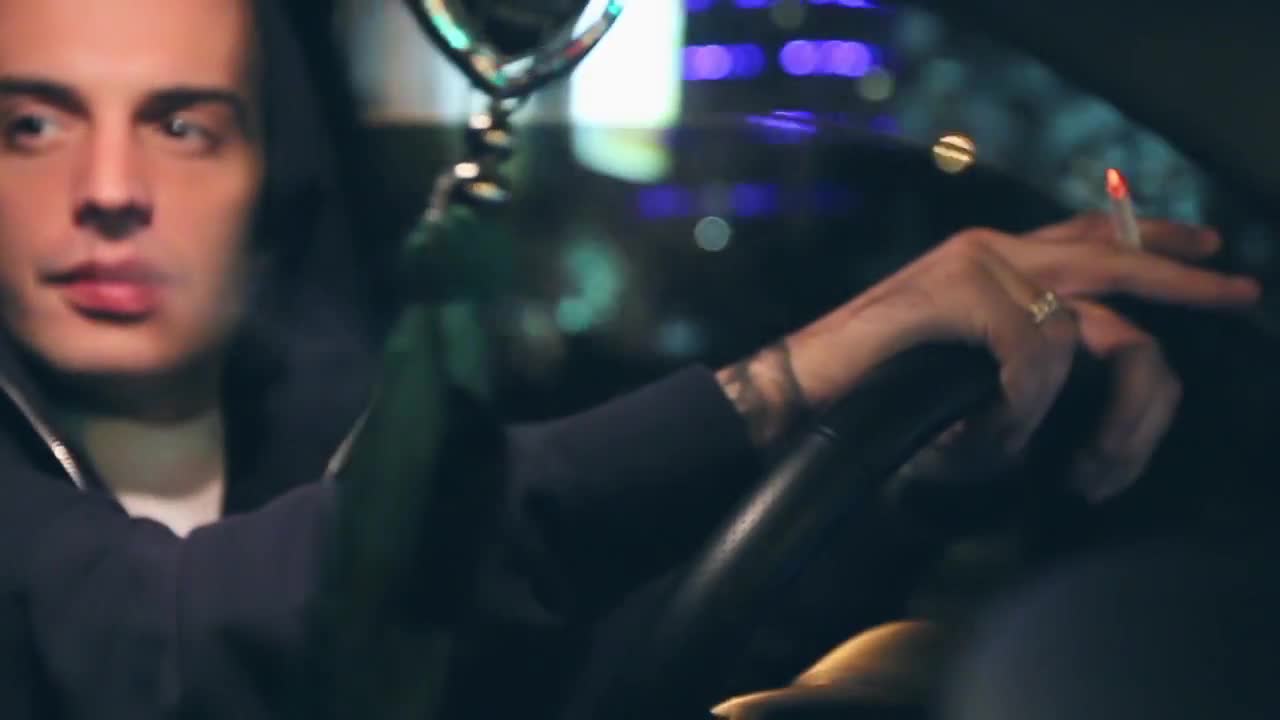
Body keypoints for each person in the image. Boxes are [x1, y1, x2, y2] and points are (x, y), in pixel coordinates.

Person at [0, 1, 1261, 719]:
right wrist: (780, 383)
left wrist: (921, 476)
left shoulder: (325, 421)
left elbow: (595, 676)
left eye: (182, 124)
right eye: (32, 124)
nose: (109, 190)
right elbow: (173, 644)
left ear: (268, 168)